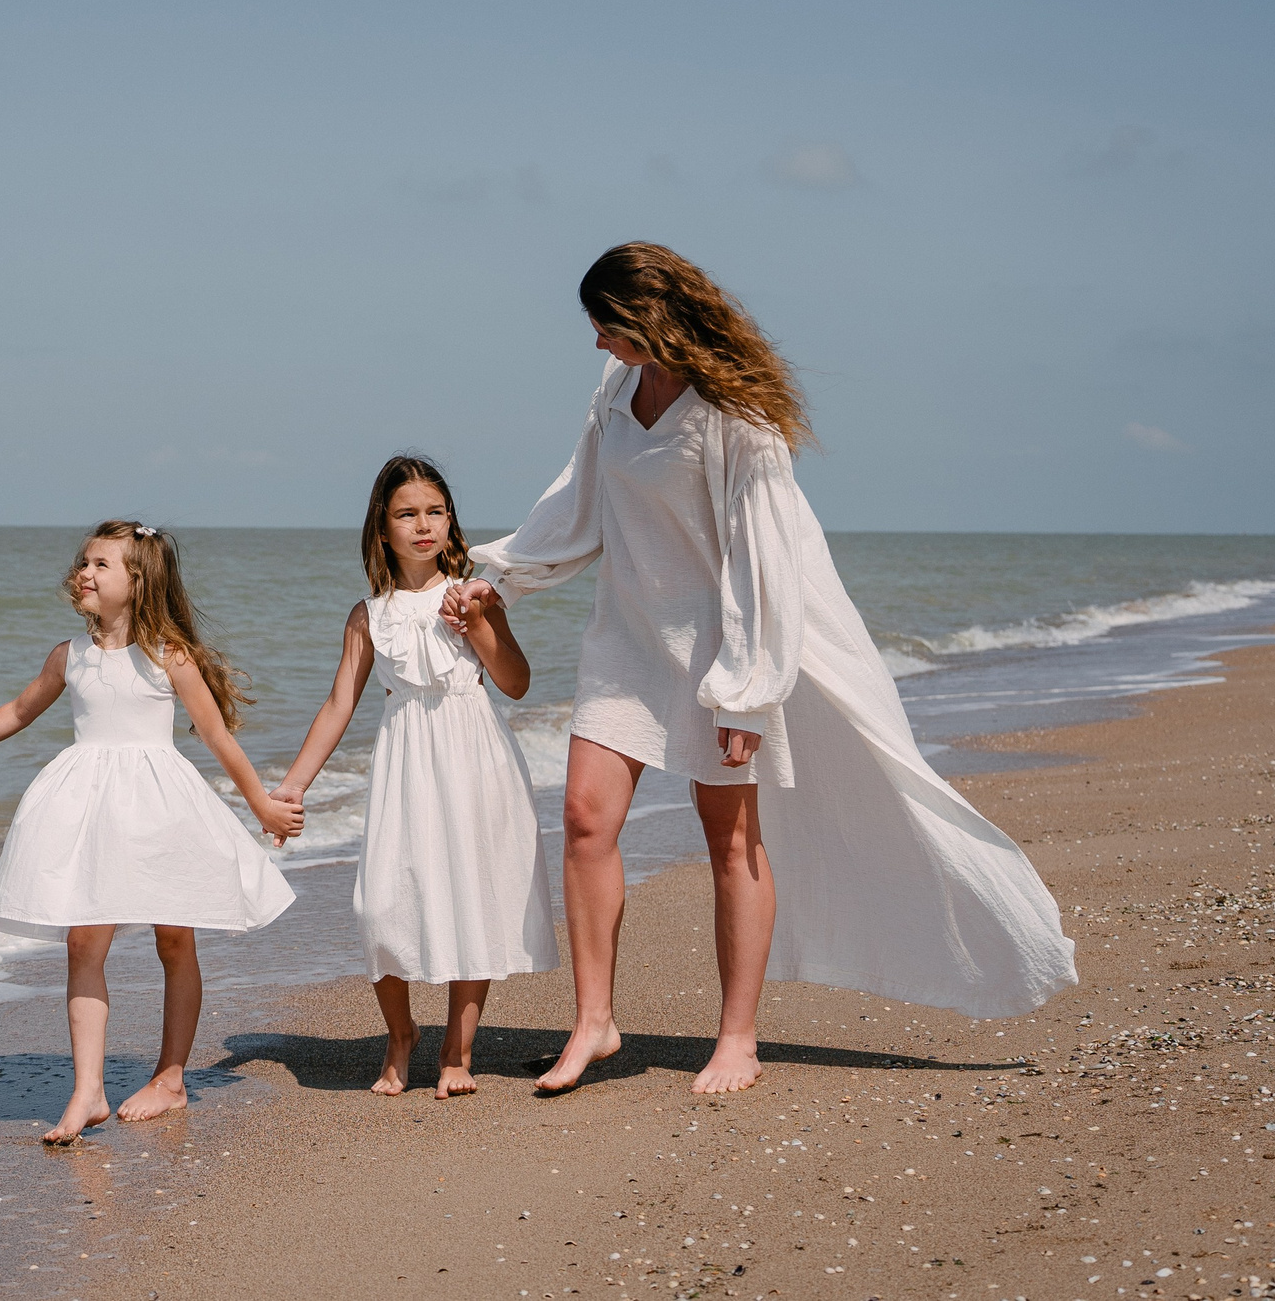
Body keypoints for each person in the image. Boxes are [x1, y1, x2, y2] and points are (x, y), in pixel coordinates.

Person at [452, 241, 1077, 1097]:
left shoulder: (733, 417)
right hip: (627, 639)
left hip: (721, 646)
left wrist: (745, 690)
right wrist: (502, 579)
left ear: (651, 319)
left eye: (608, 325)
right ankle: (594, 1021)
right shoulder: (615, 390)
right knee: (586, 819)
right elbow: (579, 496)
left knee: (730, 837)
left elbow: (765, 556)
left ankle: (737, 1036)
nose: (596, 342)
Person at [0, 521, 301, 1143]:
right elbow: (20, 710)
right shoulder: (70, 655)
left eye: (102, 564)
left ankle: (171, 1076)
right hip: (88, 808)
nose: (85, 572)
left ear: (140, 581)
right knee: (83, 943)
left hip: (161, 809)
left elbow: (217, 737)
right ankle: (88, 1090)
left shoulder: (170, 656)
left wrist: (262, 807)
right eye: (84, 562)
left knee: (174, 941)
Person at [269, 456, 557, 1098]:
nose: (423, 525)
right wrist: (293, 785)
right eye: (406, 514)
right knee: (383, 903)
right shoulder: (368, 615)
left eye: (435, 511)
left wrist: (478, 624)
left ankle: (458, 1049)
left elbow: (515, 683)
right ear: (382, 529)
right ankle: (401, 1036)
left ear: (452, 524)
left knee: (471, 896)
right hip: (406, 764)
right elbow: (339, 702)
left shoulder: (475, 593)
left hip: (475, 754)